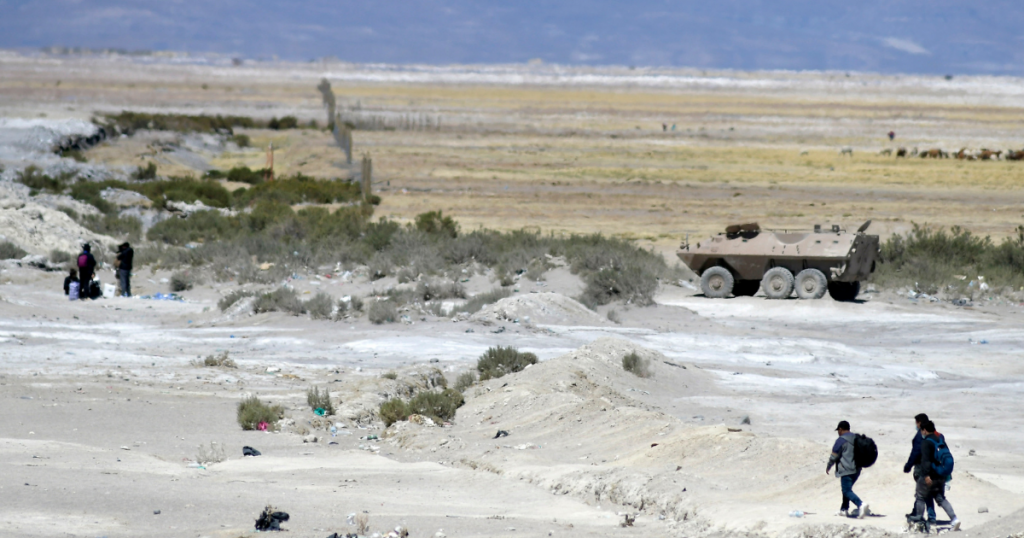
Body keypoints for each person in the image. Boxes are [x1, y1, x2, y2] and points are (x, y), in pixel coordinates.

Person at [911, 420, 960, 530]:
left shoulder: (926, 442)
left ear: (924, 430)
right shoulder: (940, 439)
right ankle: (954, 519)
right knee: (941, 498)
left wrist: (926, 476)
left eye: (921, 430)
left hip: (931, 475)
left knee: (920, 496)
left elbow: (926, 461)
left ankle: (919, 522)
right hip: (941, 475)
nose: (921, 433)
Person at [826, 420, 870, 518]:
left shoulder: (841, 440)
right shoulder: (856, 438)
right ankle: (844, 509)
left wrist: (829, 466)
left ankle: (861, 504)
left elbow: (834, 456)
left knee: (846, 491)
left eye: (838, 430)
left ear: (840, 429)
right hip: (857, 469)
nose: (838, 432)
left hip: (847, 470)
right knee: (846, 489)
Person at [904, 413, 938, 523]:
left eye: (916, 422)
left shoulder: (920, 436)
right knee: (924, 492)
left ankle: (925, 516)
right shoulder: (934, 434)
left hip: (922, 467)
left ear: (919, 423)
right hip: (932, 466)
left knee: (923, 493)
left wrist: (908, 465)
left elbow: (916, 452)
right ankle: (916, 512)